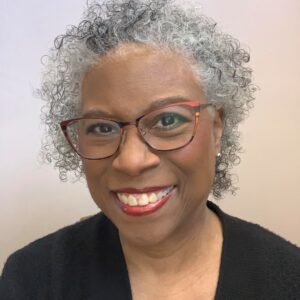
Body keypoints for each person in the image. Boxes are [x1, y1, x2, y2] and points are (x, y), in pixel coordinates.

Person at [0, 0, 299, 299]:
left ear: (217, 128)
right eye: (102, 128)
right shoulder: (32, 279)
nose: (131, 161)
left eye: (167, 120)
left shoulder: (289, 280)